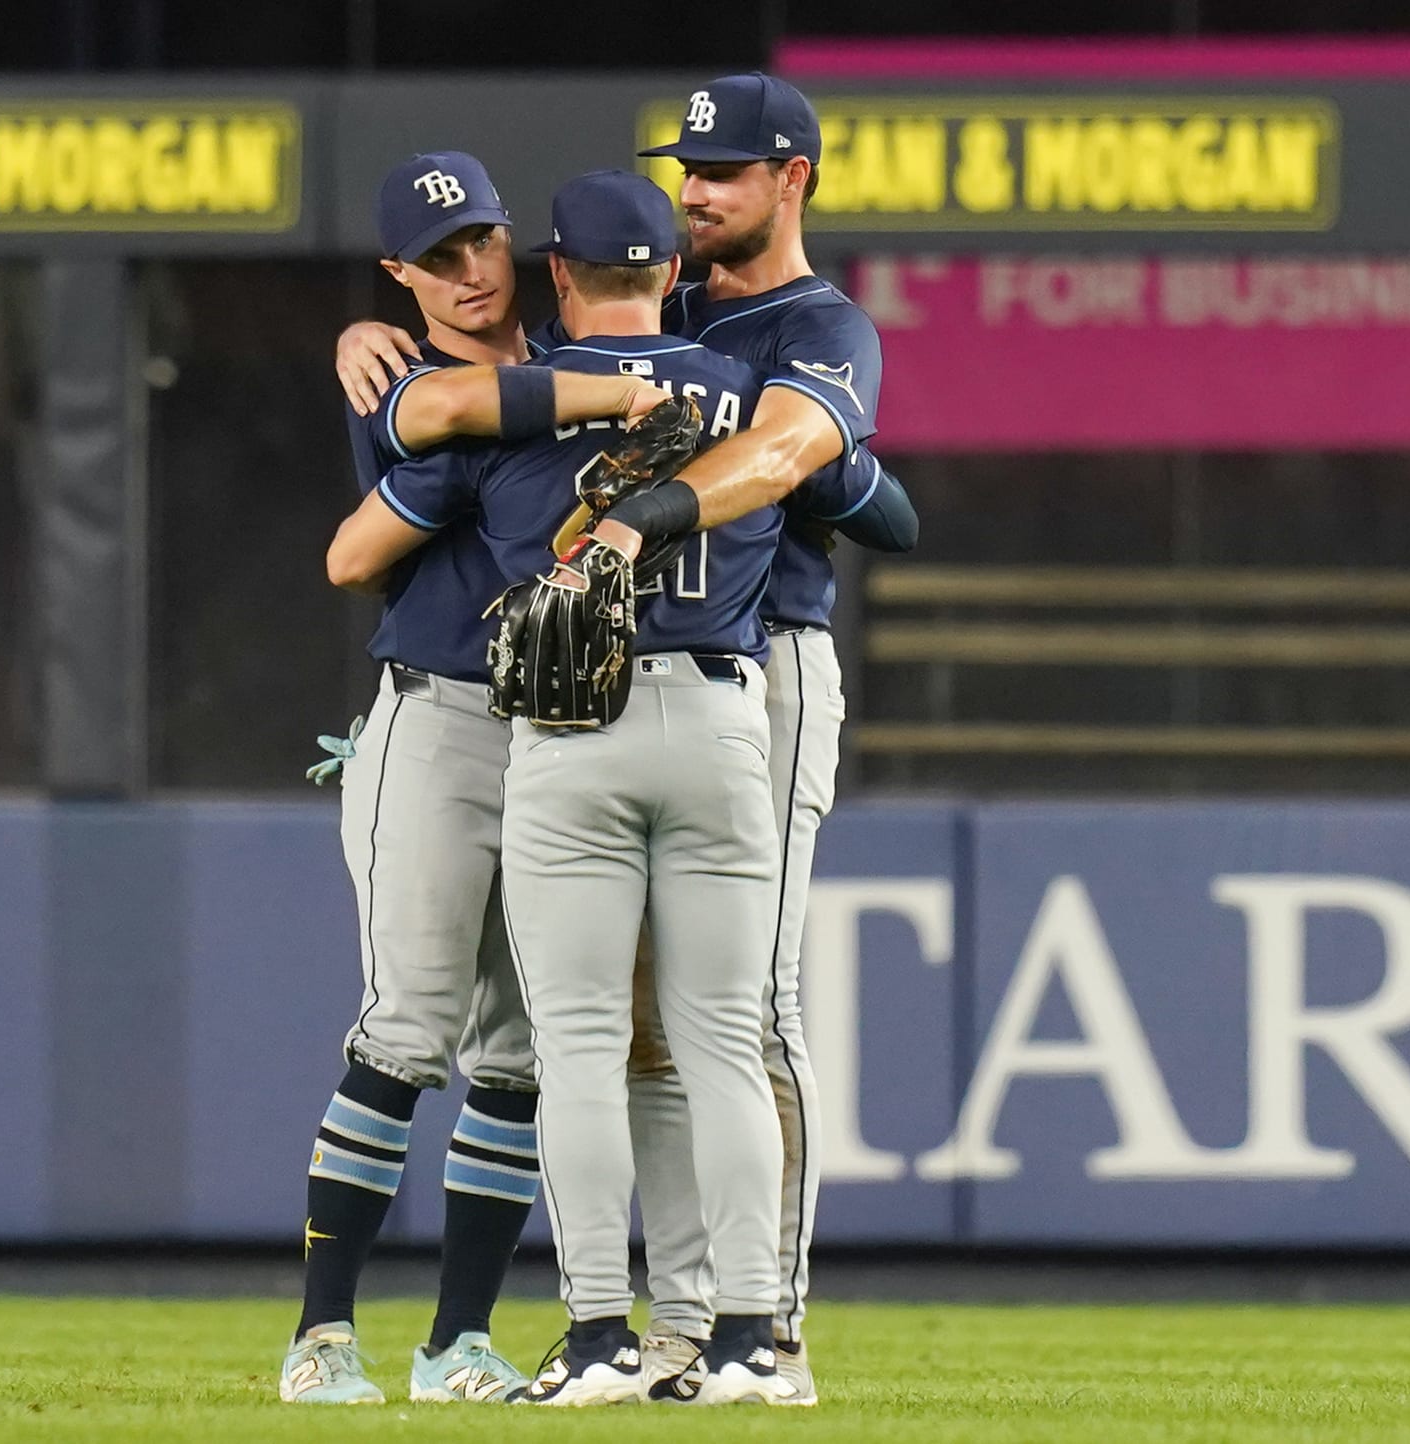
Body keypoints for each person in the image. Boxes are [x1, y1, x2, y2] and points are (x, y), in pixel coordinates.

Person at [334, 72, 912, 1406]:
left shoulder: (821, 323)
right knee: (657, 1032)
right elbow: (485, 359)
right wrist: (365, 350)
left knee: (735, 1018)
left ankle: (759, 1331)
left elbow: (781, 462)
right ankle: (692, 1325)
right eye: (686, 173)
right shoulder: (695, 318)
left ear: (794, 181)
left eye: (726, 169)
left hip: (765, 667)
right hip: (674, 692)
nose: (699, 189)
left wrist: (631, 521)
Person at [282, 150, 669, 1407]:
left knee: (517, 1055)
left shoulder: (583, 346)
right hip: (439, 717)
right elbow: (353, 555)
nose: (465, 271)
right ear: (400, 275)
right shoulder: (396, 373)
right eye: (433, 258)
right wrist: (367, 334)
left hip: (563, 737)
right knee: (407, 1025)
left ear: (517, 245)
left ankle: (459, 1341)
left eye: (479, 244)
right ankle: (321, 1338)